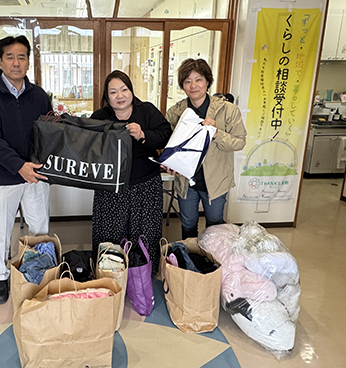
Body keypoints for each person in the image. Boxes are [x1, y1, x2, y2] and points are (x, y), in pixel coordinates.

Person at [0, 35, 52, 305]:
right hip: (1, 175)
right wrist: (18, 166)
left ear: (28, 61)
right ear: (0, 61)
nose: (16, 63)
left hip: (35, 174)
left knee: (39, 228)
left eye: (21, 57)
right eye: (10, 57)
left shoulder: (39, 96)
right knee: (0, 228)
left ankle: (37, 270)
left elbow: (49, 133)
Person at [91, 70, 172, 276]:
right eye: (113, 92)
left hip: (146, 184)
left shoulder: (146, 111)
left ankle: (143, 274)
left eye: (124, 89)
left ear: (131, 91)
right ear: (107, 96)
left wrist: (143, 134)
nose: (120, 96)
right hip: (111, 187)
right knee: (110, 233)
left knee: (145, 233)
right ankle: (111, 275)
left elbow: (166, 135)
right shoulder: (100, 117)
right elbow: (88, 145)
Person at [165, 58, 246, 239]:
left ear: (207, 81)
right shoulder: (175, 112)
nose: (193, 85)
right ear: (182, 85)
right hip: (186, 181)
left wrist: (216, 132)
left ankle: (213, 256)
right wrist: (168, 163)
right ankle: (190, 256)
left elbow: (240, 142)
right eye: (187, 81)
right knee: (188, 223)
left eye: (198, 79)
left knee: (215, 223)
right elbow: (167, 145)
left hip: (216, 179)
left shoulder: (227, 110)